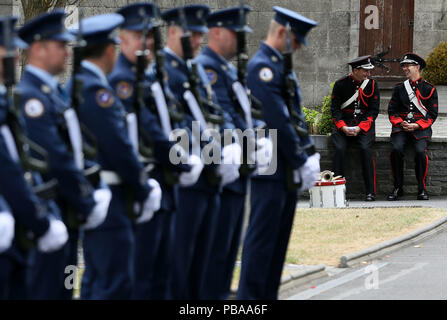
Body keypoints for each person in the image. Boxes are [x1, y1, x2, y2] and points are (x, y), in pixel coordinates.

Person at [65, 12, 162, 300]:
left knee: (99, 280)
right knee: (113, 283)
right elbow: (119, 146)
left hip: (104, 195)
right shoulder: (96, 91)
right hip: (113, 198)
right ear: (109, 50)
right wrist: (143, 187)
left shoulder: (82, 85)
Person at [17, 9, 110, 300]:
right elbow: (56, 158)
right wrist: (86, 199)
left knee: (66, 288)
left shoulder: (52, 93)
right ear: (38, 48)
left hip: (68, 213)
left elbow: (78, 148)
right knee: (47, 291)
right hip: (51, 213)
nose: (67, 53)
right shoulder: (32, 98)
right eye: (60, 46)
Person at [108, 2, 195, 299]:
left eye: (149, 36)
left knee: (162, 274)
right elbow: (150, 131)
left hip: (163, 185)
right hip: (142, 187)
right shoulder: (122, 80)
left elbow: (174, 122)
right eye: (138, 36)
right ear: (121, 38)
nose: (145, 43)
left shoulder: (145, 75)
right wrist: (182, 162)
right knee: (142, 277)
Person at [237, 6, 320, 300]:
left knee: (276, 247)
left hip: (284, 168)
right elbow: (276, 120)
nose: (297, 48)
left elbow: (295, 119)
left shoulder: (281, 67)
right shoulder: (263, 68)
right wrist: (301, 159)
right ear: (282, 32)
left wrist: (307, 154)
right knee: (261, 245)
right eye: (296, 41)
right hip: (269, 167)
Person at [161, 4, 240, 299]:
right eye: (191, 34)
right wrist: (205, 153)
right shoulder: (167, 72)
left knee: (202, 262)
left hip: (208, 174)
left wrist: (230, 146)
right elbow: (175, 125)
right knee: (182, 263)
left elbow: (213, 115)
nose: (198, 40)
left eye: (198, 34)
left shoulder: (189, 70)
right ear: (172, 32)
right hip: (188, 175)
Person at [0, 16, 68, 299]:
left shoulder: (6, 103)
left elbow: (21, 166)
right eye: (6, 51)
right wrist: (41, 221)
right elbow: (8, 172)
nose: (15, 57)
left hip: (17, 234)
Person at [195, 5, 258, 300]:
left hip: (239, 170)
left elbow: (244, 112)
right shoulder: (207, 70)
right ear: (216, 33)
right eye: (236, 35)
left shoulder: (227, 69)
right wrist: (234, 144)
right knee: (216, 251)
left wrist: (257, 134)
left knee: (228, 250)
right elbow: (217, 116)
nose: (240, 41)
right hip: (222, 169)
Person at [387, 53, 438, 201]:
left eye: (407, 65)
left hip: (420, 128)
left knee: (421, 152)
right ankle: (398, 187)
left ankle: (421, 189)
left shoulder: (429, 89)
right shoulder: (399, 88)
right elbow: (392, 111)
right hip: (401, 128)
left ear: (417, 67)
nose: (404, 68)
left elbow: (432, 114)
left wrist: (417, 125)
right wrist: (400, 122)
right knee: (396, 150)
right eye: (403, 66)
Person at [330, 55, 380, 201]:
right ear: (356, 70)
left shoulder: (372, 84)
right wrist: (343, 127)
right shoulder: (340, 84)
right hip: (344, 124)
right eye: (366, 71)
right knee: (339, 149)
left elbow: (373, 111)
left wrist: (360, 127)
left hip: (364, 125)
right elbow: (335, 110)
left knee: (365, 149)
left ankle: (370, 191)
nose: (368, 74)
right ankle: (337, 191)